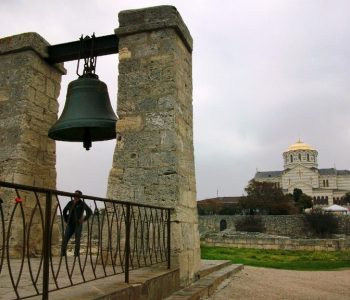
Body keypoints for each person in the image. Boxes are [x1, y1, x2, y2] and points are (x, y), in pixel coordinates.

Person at [61, 190, 92, 257]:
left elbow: (89, 211)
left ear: (79, 196)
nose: (74, 196)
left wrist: (83, 219)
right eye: (74, 194)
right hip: (70, 224)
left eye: (76, 194)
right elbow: (64, 210)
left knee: (77, 239)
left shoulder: (82, 203)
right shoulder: (70, 202)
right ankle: (63, 254)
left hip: (78, 224)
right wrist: (66, 219)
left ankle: (76, 255)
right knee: (65, 238)